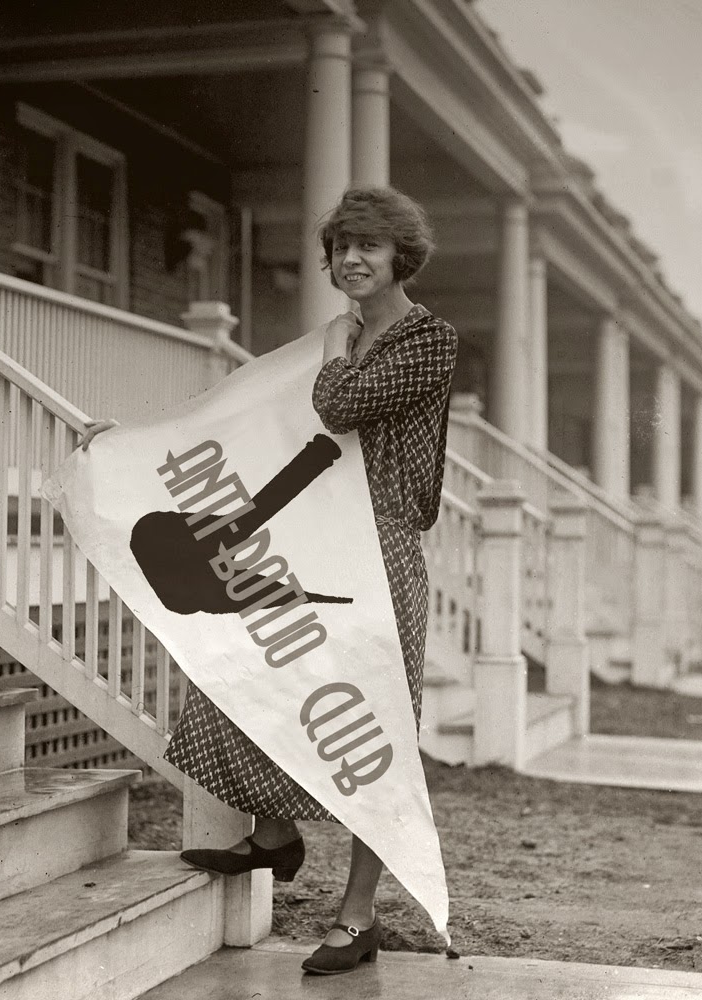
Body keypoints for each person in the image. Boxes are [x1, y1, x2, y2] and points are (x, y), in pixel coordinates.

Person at [80, 186, 457, 976]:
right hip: (319, 548)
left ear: (400, 257)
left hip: (383, 556)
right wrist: (135, 448)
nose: (350, 260)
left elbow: (340, 402)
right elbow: (250, 421)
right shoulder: (334, 336)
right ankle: (276, 835)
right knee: (245, 671)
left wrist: (335, 350)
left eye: (369, 247)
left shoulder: (426, 340)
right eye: (340, 247)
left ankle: (358, 918)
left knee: (368, 735)